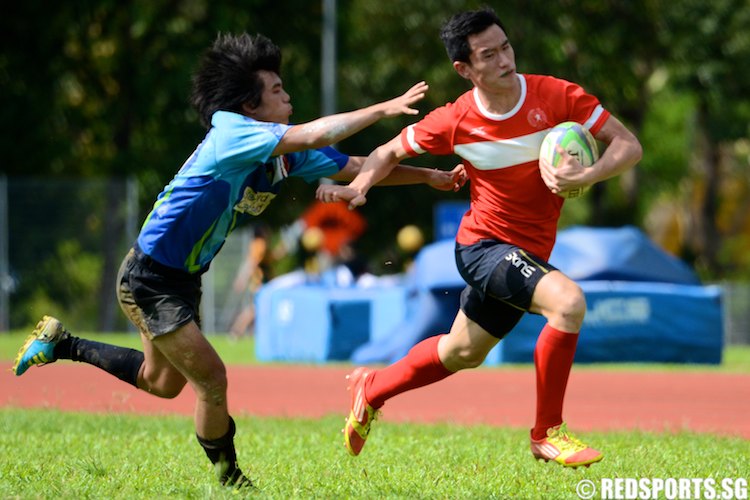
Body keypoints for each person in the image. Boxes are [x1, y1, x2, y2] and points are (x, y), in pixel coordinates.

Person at [11, 32, 466, 489]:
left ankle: (62, 343)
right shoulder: (231, 131)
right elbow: (315, 132)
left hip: (183, 278)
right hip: (149, 276)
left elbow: (351, 166)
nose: (287, 94)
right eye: (275, 89)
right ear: (249, 106)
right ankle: (231, 481)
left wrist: (430, 175)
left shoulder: (284, 153)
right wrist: (382, 109)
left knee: (162, 383)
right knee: (212, 380)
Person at [316, 8, 642, 468]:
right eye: (489, 54)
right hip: (483, 248)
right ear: (464, 69)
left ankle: (371, 389)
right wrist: (359, 187)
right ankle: (547, 433)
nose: (505, 60)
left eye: (506, 46)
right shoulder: (455, 120)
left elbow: (628, 145)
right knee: (567, 302)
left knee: (461, 351)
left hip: (527, 253)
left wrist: (589, 173)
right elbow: (387, 150)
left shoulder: (556, 95)